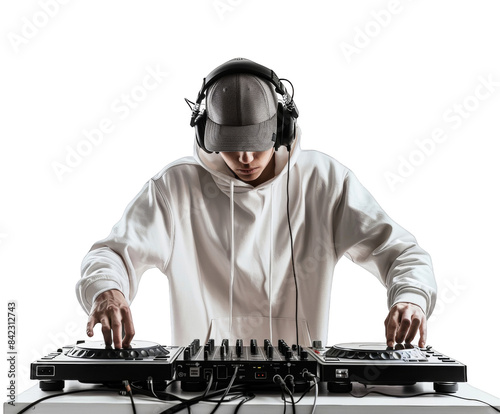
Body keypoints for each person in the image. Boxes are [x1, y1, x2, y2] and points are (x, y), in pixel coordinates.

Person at [76, 58, 437, 350]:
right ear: (206, 133)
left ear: (282, 128)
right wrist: (108, 290)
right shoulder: (174, 188)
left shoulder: (325, 181)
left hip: (302, 395)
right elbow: (110, 254)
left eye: (257, 141)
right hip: (198, 398)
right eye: (231, 143)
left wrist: (411, 297)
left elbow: (402, 252)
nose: (245, 157)